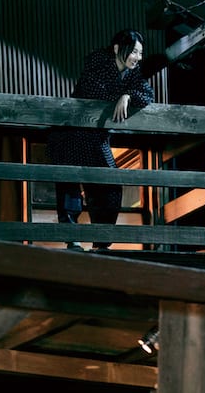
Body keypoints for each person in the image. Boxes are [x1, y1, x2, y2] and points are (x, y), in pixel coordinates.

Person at [46, 29, 155, 252]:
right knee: (70, 189)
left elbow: (148, 94)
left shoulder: (132, 73)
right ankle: (73, 240)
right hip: (72, 133)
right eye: (134, 52)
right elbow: (97, 92)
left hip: (97, 138)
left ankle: (101, 242)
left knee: (110, 186)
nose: (138, 57)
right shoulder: (98, 61)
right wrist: (120, 95)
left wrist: (128, 95)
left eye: (140, 53)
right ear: (117, 49)